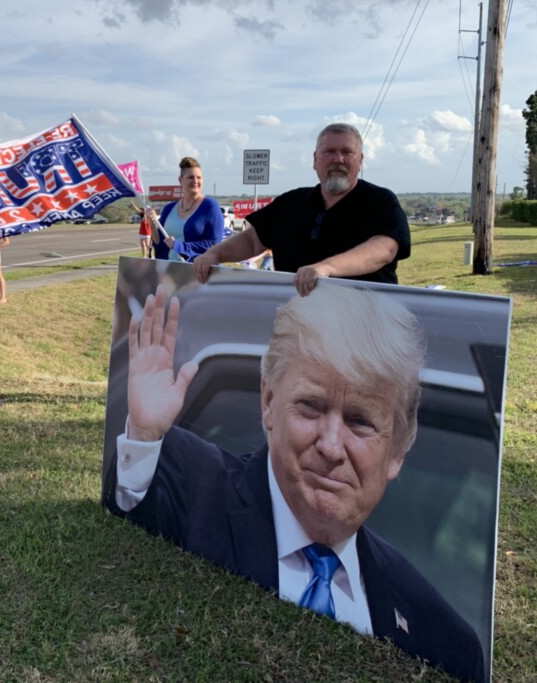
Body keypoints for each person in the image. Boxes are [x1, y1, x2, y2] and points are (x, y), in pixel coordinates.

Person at [103, 283, 485, 683]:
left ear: (398, 451)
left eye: (359, 421)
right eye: (311, 407)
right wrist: (145, 440)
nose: (332, 446)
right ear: (268, 403)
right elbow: (117, 551)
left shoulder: (446, 642)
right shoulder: (190, 482)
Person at [192, 123, 411, 296]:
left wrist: (326, 269)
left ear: (360, 160)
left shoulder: (380, 202)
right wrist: (215, 254)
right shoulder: (291, 203)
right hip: (297, 325)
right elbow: (252, 240)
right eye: (329, 152)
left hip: (364, 328)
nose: (338, 159)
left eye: (347, 152)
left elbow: (385, 249)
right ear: (315, 160)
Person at [146, 157, 224, 262]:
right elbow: (159, 242)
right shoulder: (168, 209)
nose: (196, 181)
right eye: (191, 177)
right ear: (180, 180)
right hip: (170, 272)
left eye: (199, 177)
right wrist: (152, 222)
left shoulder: (210, 206)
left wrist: (180, 246)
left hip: (198, 272)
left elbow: (214, 244)